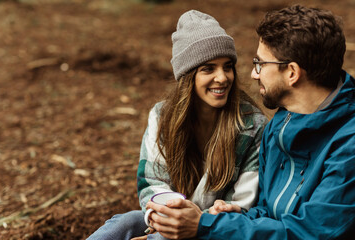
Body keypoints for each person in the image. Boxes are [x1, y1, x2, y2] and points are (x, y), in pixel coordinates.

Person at [145, 5, 355, 240]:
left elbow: (311, 233)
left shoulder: (349, 145)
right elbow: (268, 213)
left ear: (292, 73)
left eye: (261, 64)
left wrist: (208, 226)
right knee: (125, 224)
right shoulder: (280, 126)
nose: (255, 74)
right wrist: (237, 214)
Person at [86, 10, 267, 240]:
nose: (222, 77)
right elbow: (152, 182)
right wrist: (163, 218)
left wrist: (191, 223)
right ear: (188, 76)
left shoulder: (251, 126)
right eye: (208, 68)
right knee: (124, 223)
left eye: (227, 66)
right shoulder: (163, 116)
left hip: (218, 228)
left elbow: (241, 203)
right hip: (171, 216)